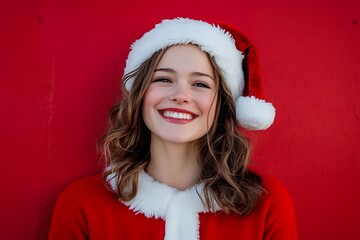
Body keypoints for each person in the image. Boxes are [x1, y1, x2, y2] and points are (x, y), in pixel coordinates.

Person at [48, 18, 297, 240]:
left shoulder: (267, 203)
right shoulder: (81, 203)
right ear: (140, 94)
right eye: (163, 79)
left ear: (221, 104)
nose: (181, 95)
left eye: (200, 83)